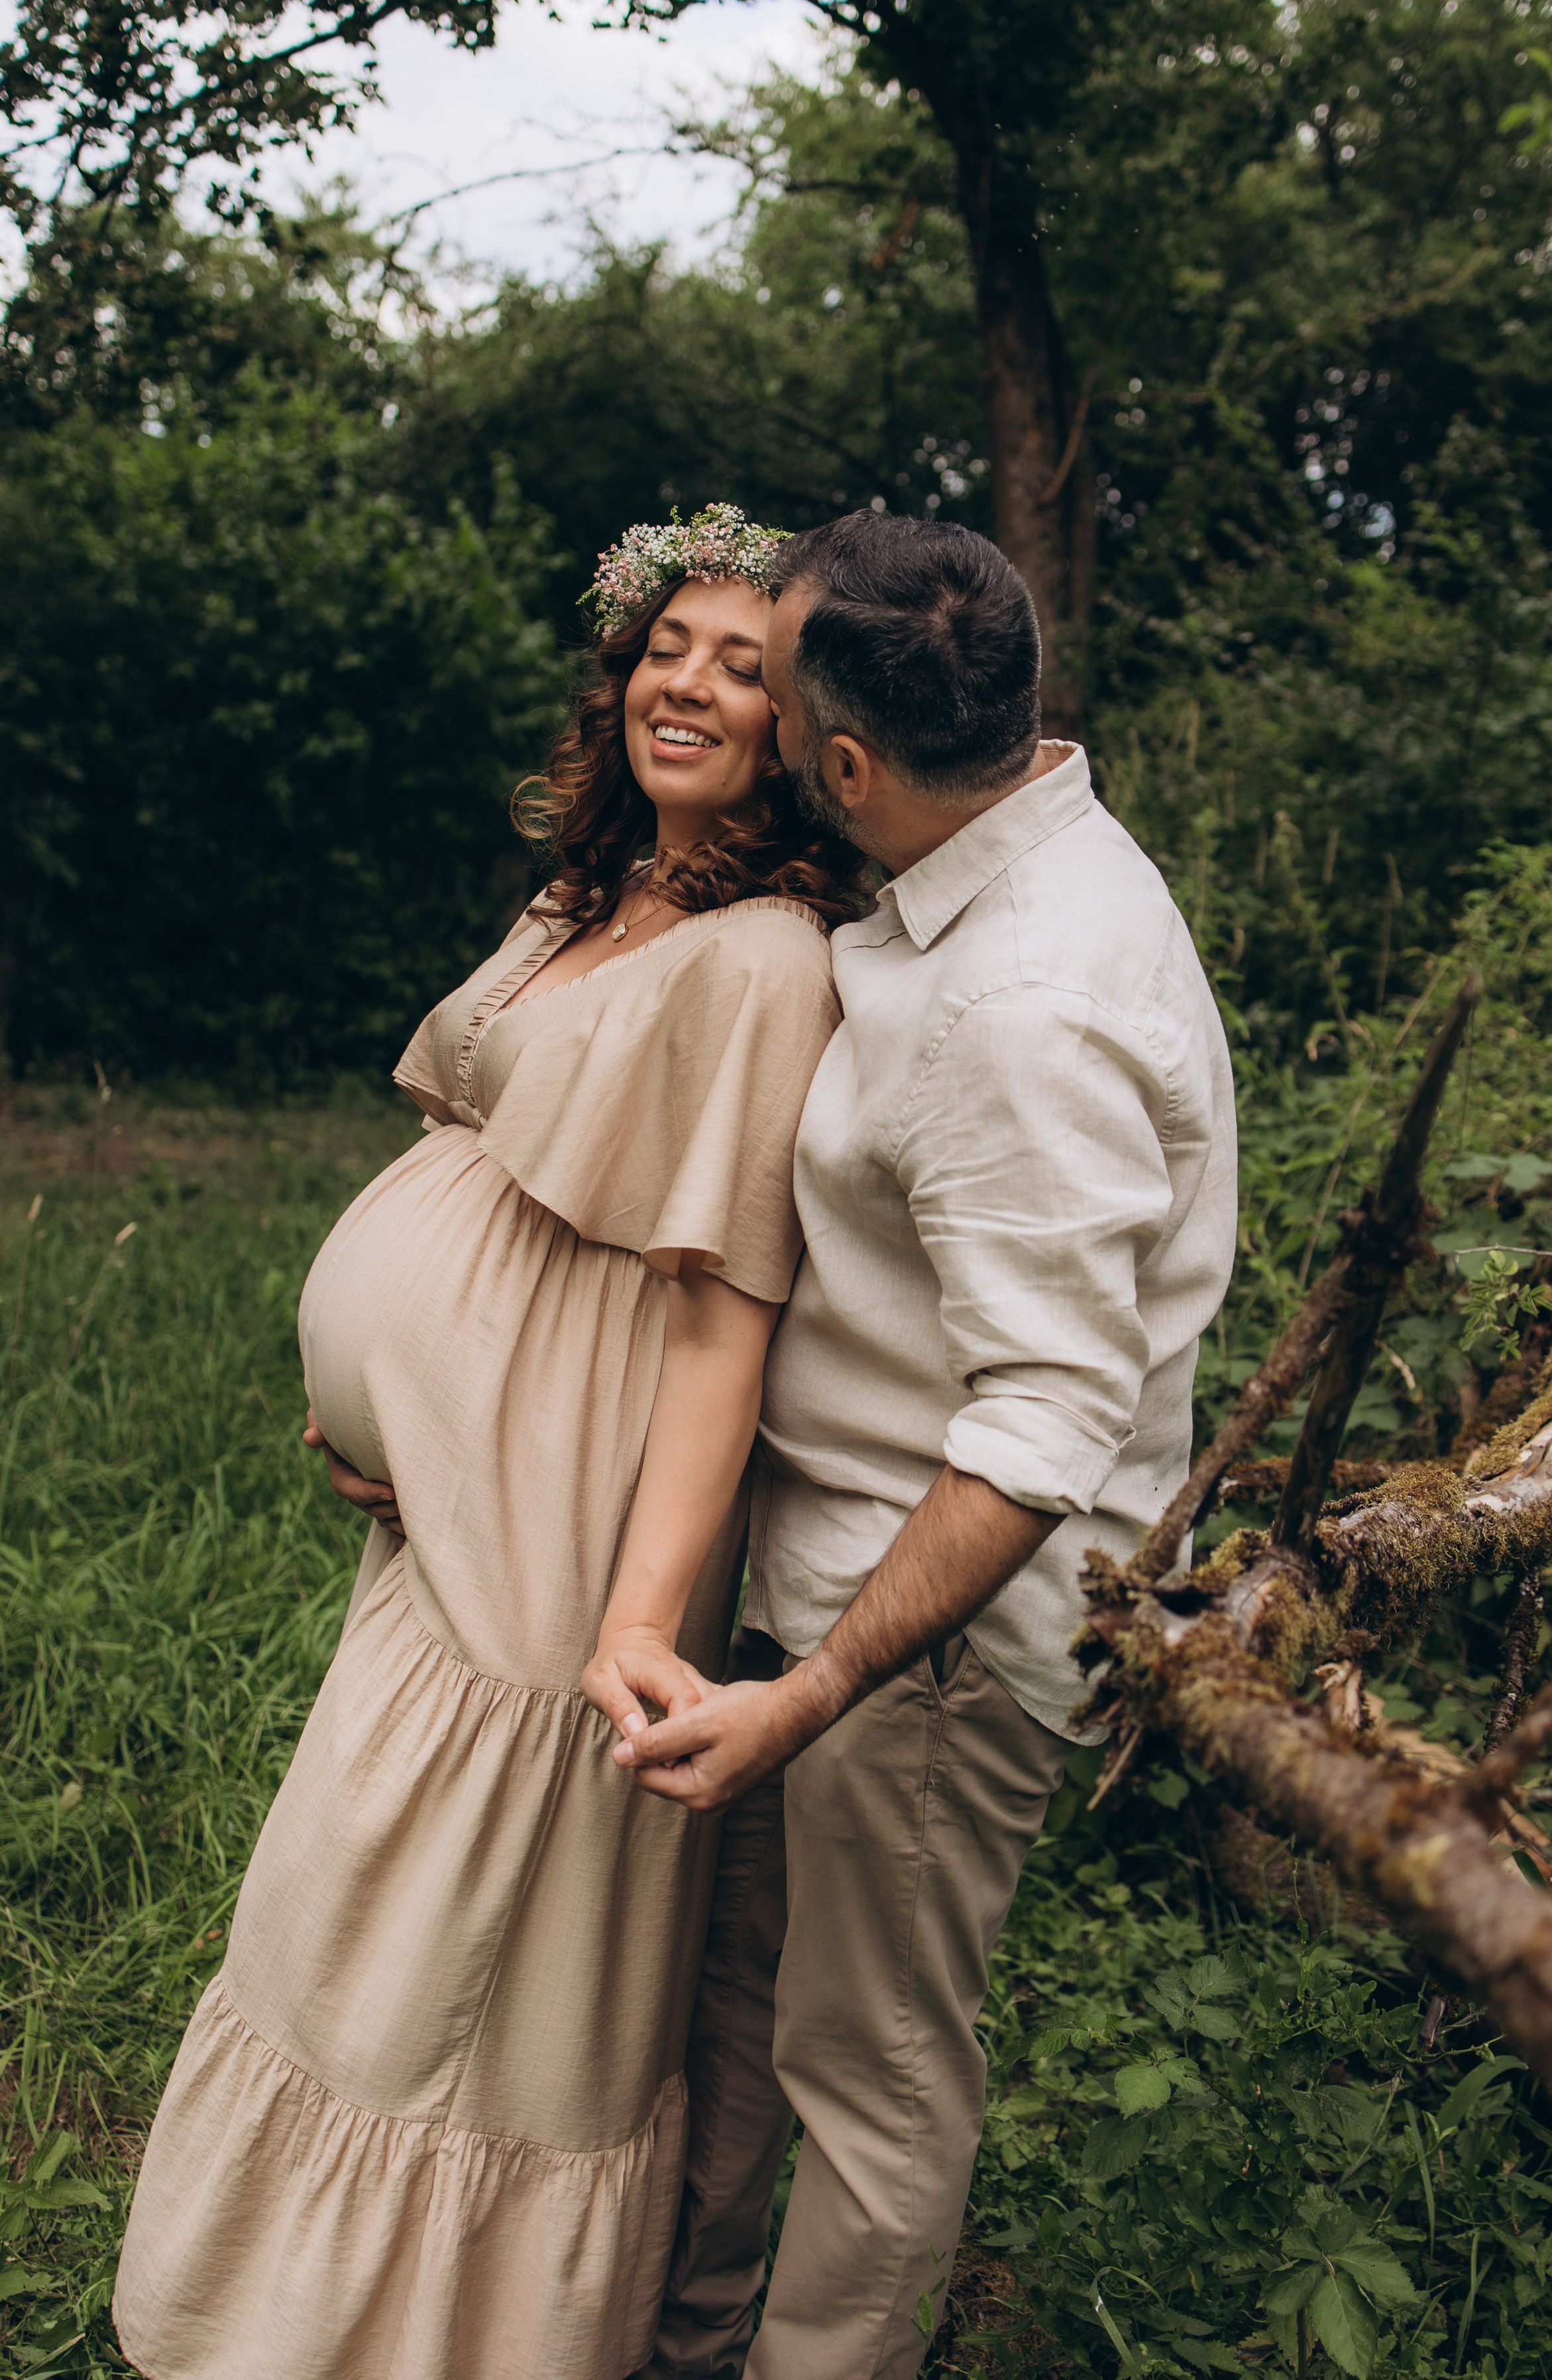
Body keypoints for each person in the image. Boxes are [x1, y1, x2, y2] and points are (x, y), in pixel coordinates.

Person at [111, 504, 866, 2380]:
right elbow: (464, 1170)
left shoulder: (766, 959)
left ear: (798, 728)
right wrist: (373, 1376)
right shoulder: (584, 895)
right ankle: (268, 2323)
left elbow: (724, 1307)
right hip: (442, 1499)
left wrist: (641, 1615)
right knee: (338, 1912)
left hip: (572, 1522)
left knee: (468, 1956)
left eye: (742, 665)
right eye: (668, 646)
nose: (688, 684)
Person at [619, 512, 1239, 2379]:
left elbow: (1047, 1424)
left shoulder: (1021, 1006)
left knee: (872, 2080)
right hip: (823, 1579)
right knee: (745, 2015)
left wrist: (817, 1694)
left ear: (854, 764)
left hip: (927, 1646)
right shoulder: (979, 850)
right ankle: (682, 2340)